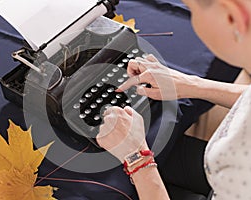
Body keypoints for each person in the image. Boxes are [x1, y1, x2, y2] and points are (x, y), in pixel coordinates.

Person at [96, 0, 251, 199]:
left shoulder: (237, 171)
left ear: (232, 16)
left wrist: (137, 158)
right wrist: (191, 84)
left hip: (229, 177)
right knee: (166, 150)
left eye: (192, 10)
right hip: (220, 163)